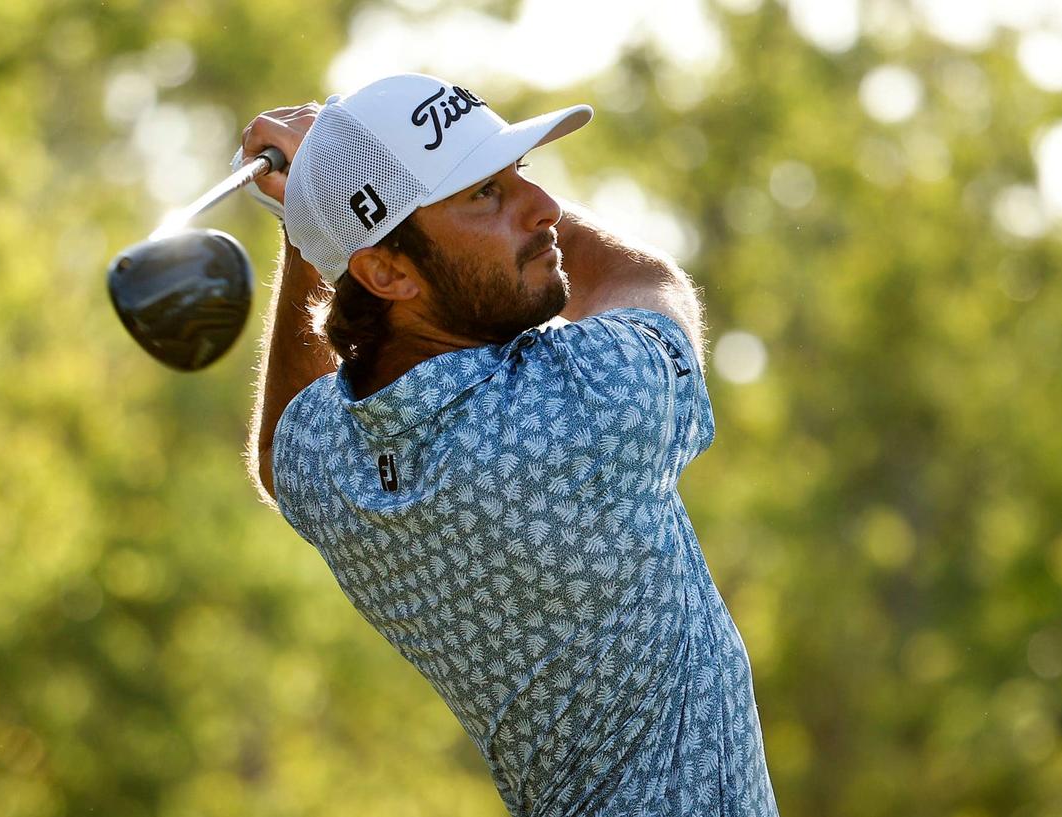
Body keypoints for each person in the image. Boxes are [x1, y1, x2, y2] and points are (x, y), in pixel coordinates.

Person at [238, 73, 778, 817]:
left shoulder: (337, 467)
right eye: (484, 194)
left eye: (517, 172)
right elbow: (639, 276)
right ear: (388, 271)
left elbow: (279, 449)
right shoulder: (587, 405)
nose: (547, 207)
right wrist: (319, 203)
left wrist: (315, 221)